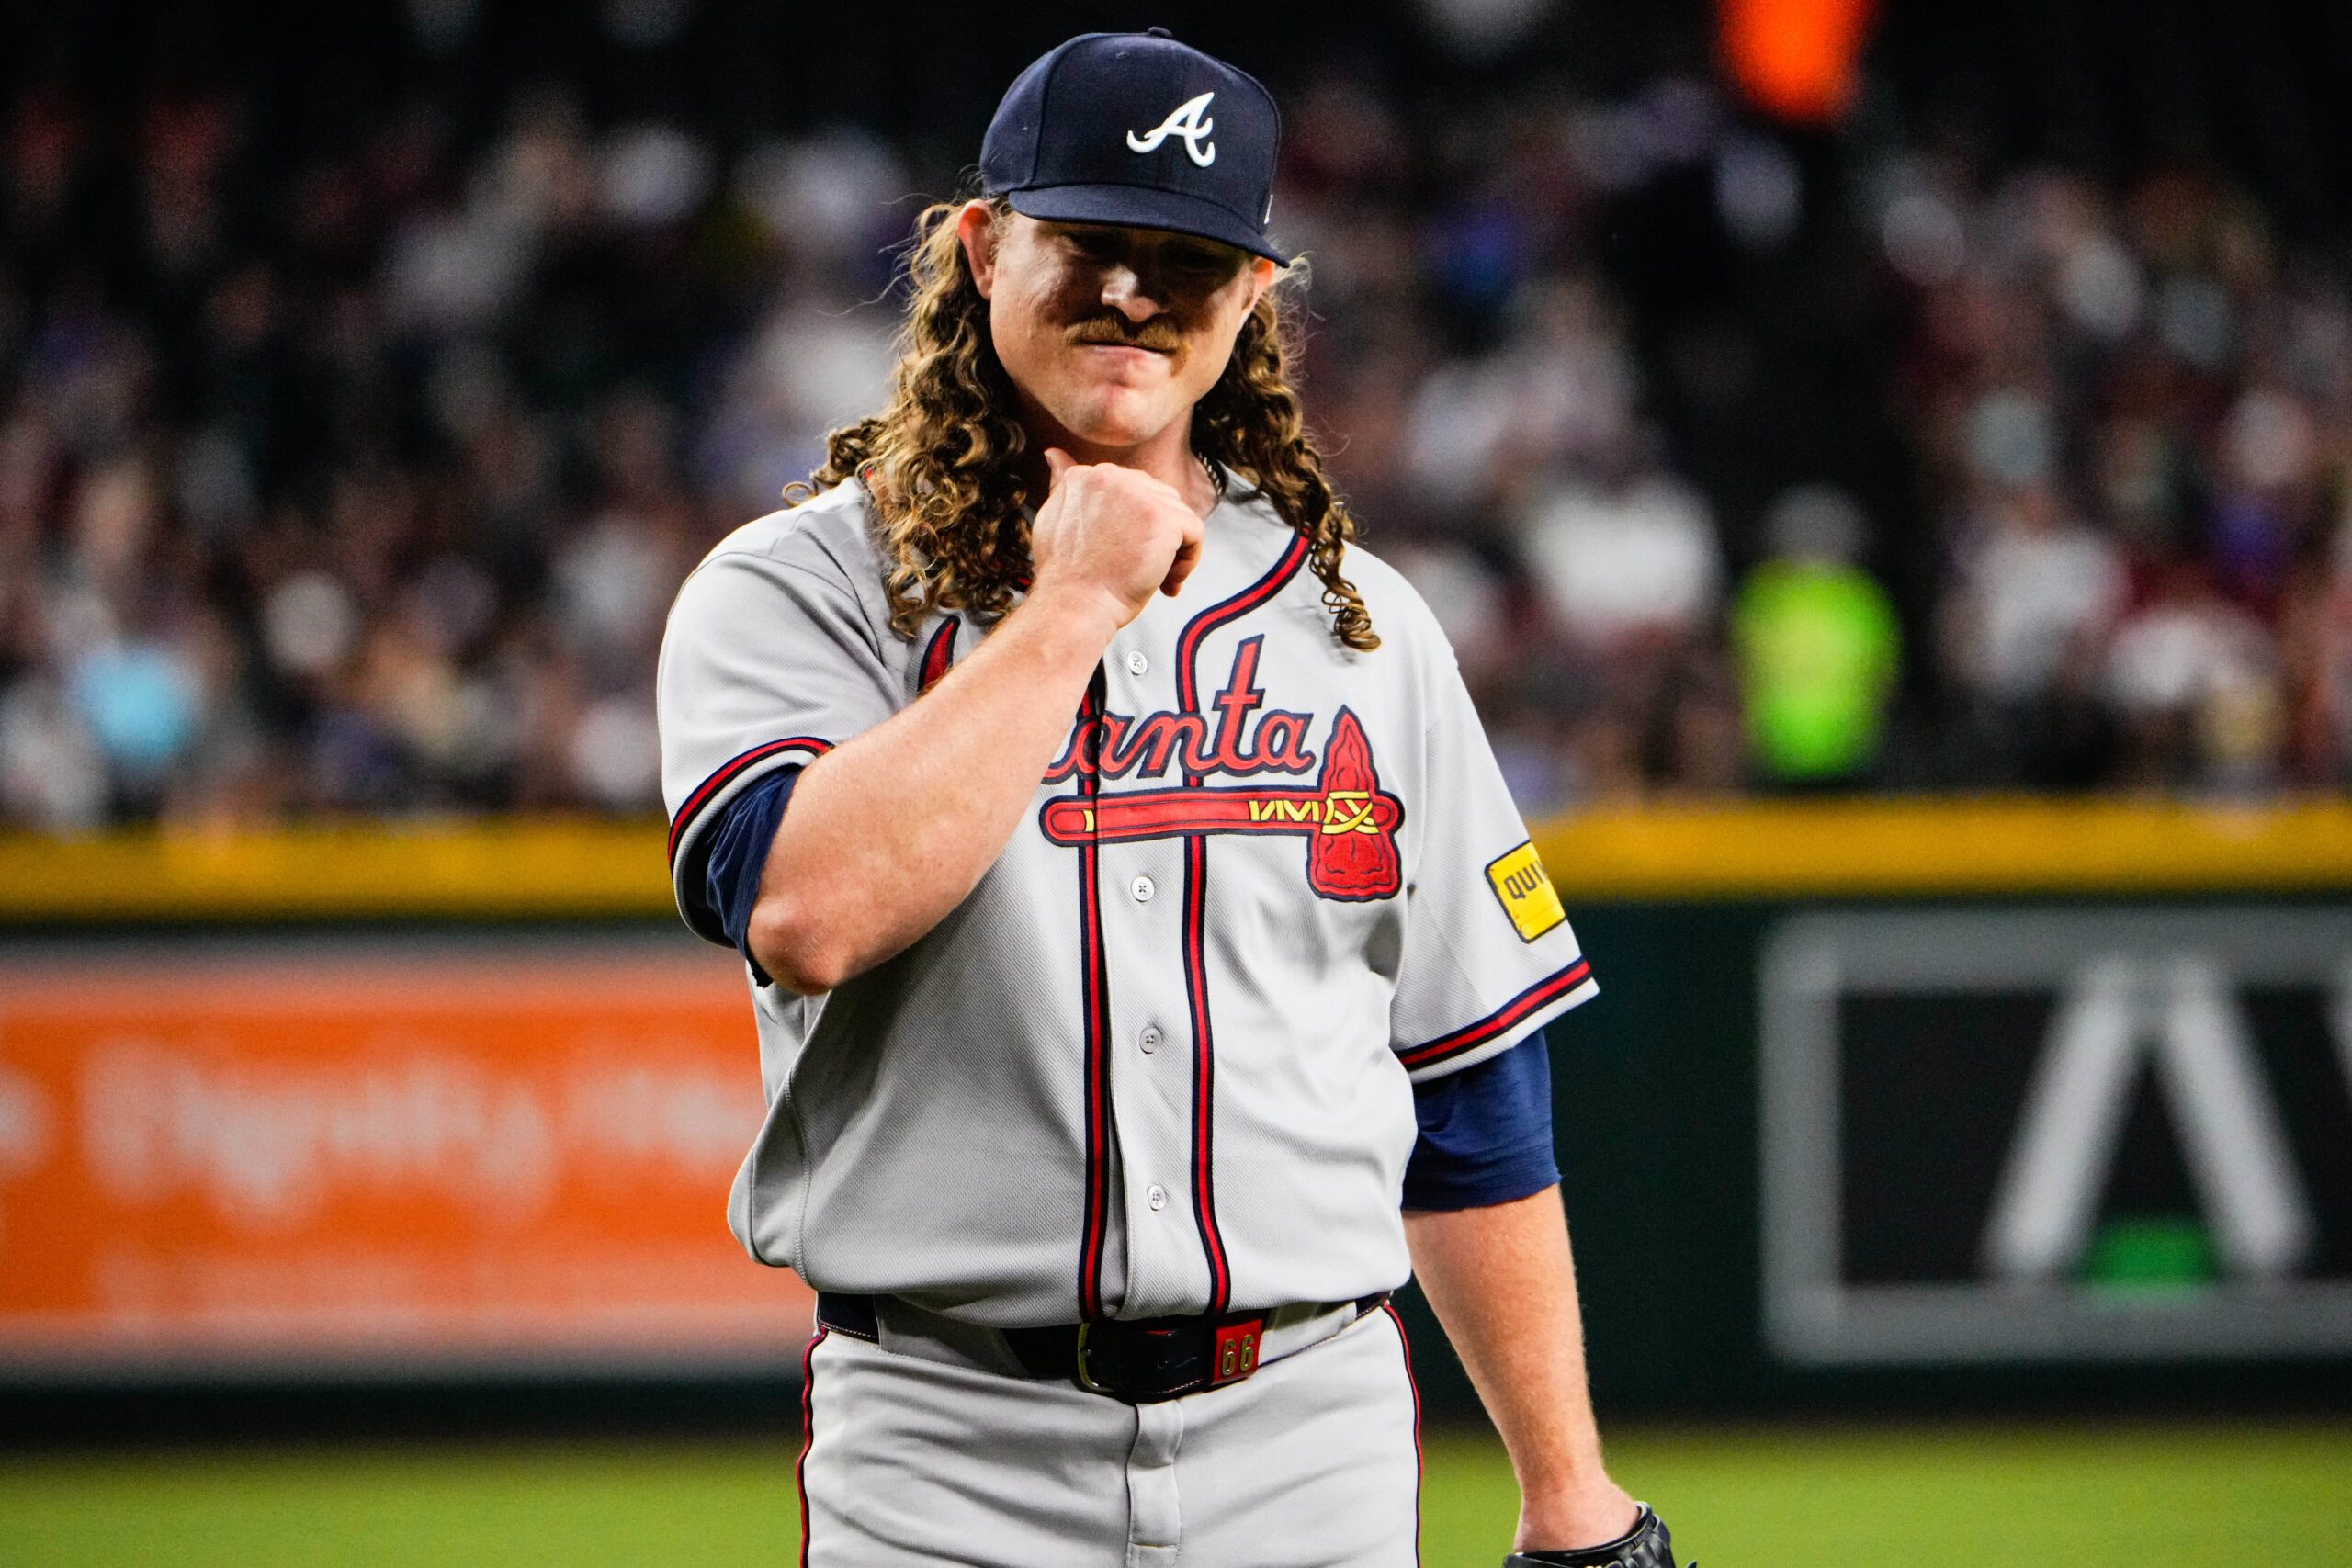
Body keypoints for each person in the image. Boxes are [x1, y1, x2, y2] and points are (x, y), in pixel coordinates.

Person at [657, 29, 1684, 1568]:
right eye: (1090, 241)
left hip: (1309, 1438)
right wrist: (1072, 606)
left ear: (1254, 294)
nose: (1136, 291)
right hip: (947, 1448)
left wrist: (1568, 1492)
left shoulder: (1365, 626)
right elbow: (808, 914)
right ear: (983, 248)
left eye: (1188, 258)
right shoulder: (802, 589)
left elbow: (1470, 1090)